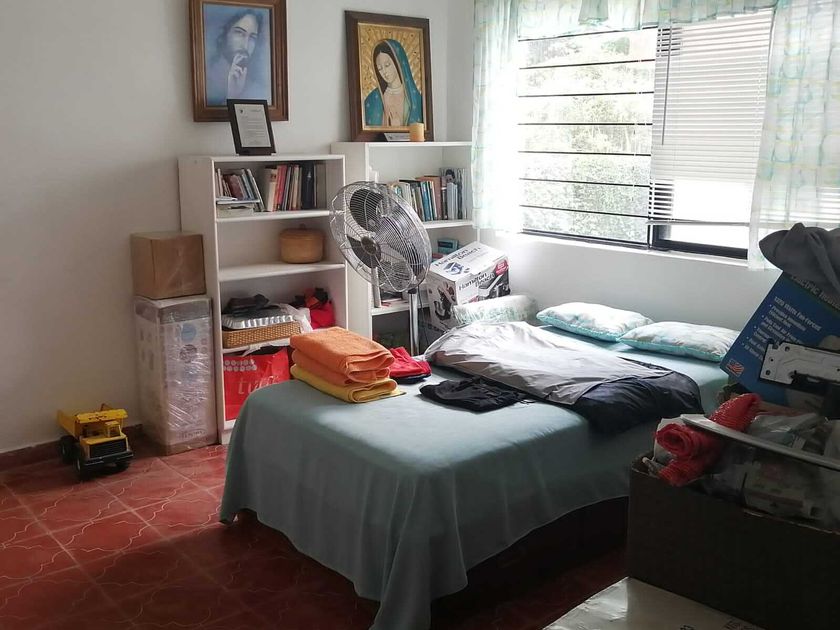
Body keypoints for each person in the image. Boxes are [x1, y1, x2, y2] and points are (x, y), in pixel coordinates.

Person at [205, 9, 269, 106]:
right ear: (225, 34)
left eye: (252, 37)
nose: (245, 45)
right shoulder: (208, 78)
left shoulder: (258, 86)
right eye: (239, 33)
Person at [364, 39, 423, 128]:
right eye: (380, 68)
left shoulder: (415, 99)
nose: (384, 72)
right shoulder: (373, 100)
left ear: (398, 62)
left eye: (387, 65)